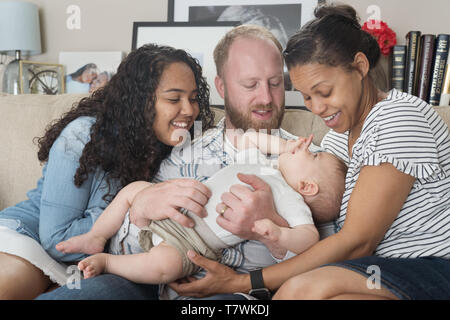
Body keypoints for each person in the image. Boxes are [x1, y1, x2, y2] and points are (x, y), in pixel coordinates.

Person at [168, 4, 450, 300]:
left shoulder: (397, 117)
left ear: (360, 67)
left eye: (324, 92)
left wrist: (238, 283)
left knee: (300, 290)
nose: (315, 108)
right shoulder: (336, 141)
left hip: (432, 265)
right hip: (379, 271)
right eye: (305, 97)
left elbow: (357, 242)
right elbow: (321, 228)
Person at [36, 24, 322, 300]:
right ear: (221, 86)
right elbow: (132, 242)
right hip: (146, 282)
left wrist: (270, 231)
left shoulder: (311, 164)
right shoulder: (187, 148)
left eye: (275, 83)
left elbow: (326, 257)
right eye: (250, 84)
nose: (266, 97)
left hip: (236, 293)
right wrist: (140, 210)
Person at [0, 43, 214, 299]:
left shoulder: (180, 146)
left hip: (92, 269)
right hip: (30, 240)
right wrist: (132, 201)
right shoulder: (83, 136)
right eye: (173, 98)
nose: (189, 110)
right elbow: (57, 241)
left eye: (193, 98)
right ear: (140, 101)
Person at [54, 133, 346, 284]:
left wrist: (278, 235)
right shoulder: (265, 164)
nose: (305, 148)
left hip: (190, 240)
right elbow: (246, 139)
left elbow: (310, 237)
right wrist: (286, 146)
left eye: (312, 155)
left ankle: (107, 262)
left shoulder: (290, 198)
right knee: (134, 189)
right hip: (175, 208)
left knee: (165, 267)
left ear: (308, 186)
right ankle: (96, 235)